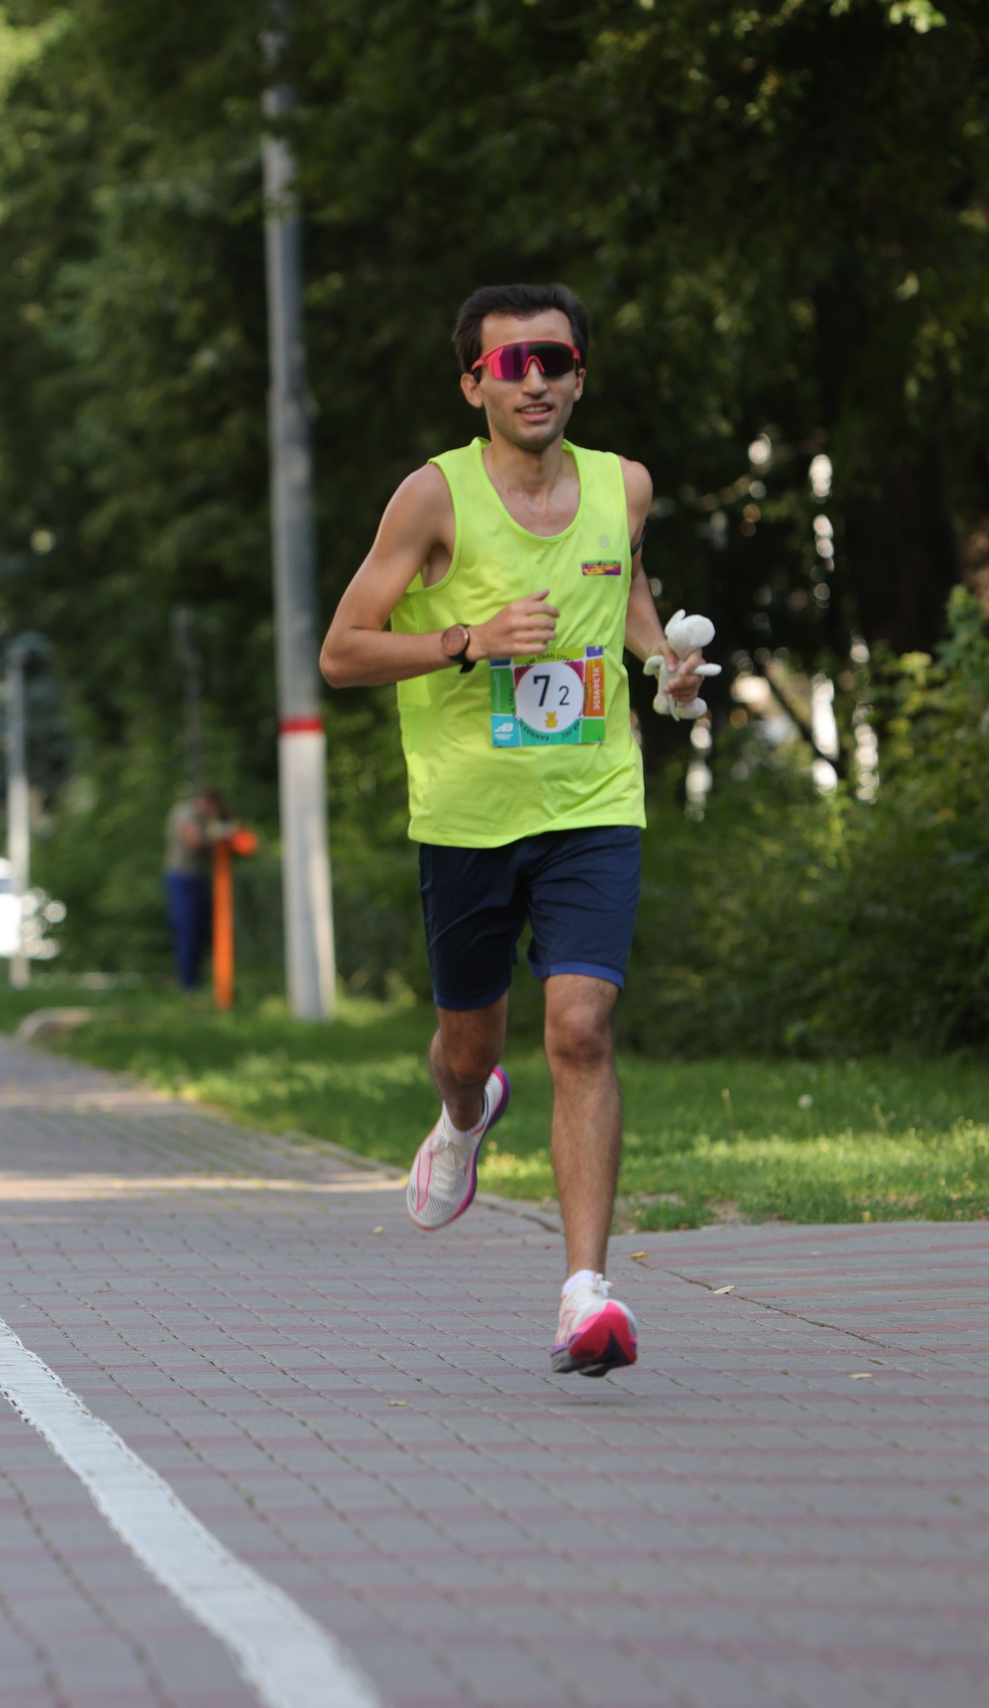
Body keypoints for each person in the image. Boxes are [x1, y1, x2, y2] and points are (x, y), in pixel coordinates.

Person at [317, 283, 709, 1378]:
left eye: (552, 358)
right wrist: (467, 640)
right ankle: (463, 1114)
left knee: (580, 1027)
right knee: (469, 1049)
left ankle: (586, 1292)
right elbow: (341, 652)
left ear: (579, 372)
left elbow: (625, 592)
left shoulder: (621, 487)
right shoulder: (430, 499)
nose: (532, 378)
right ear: (474, 385)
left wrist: (659, 663)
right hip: (468, 817)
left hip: (591, 803)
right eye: (509, 364)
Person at [163, 790, 234, 992]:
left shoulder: (206, 818)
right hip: (183, 878)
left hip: (200, 878)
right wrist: (223, 838)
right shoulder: (184, 813)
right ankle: (188, 983)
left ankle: (198, 980)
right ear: (204, 801)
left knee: (203, 930)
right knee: (188, 928)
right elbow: (194, 841)